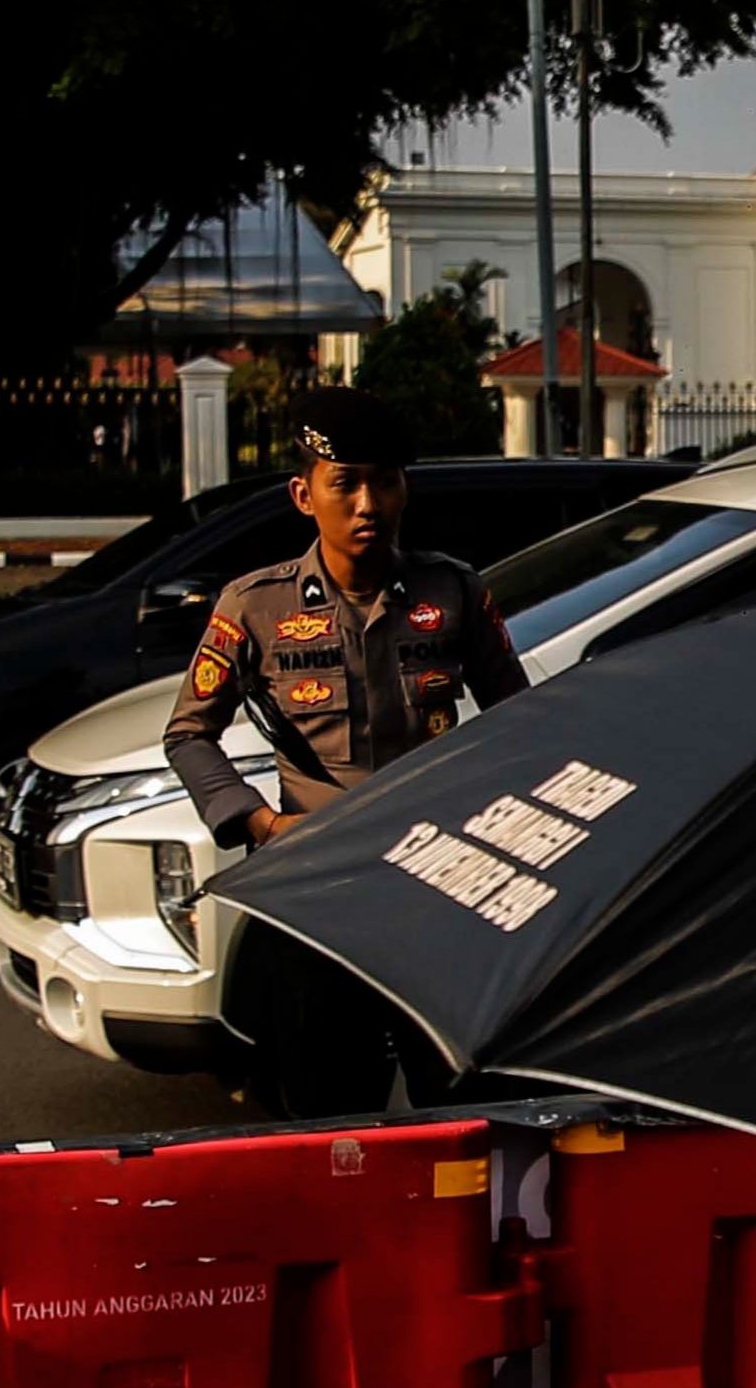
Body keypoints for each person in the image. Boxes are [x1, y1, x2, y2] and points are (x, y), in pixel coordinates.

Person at [163, 386, 527, 1115]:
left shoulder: (451, 591)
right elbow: (188, 734)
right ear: (304, 494)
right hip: (320, 898)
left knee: (457, 1101)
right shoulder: (254, 605)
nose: (368, 503)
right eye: (346, 484)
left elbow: (520, 723)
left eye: (385, 482)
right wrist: (261, 826)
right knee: (330, 1107)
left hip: (438, 890)